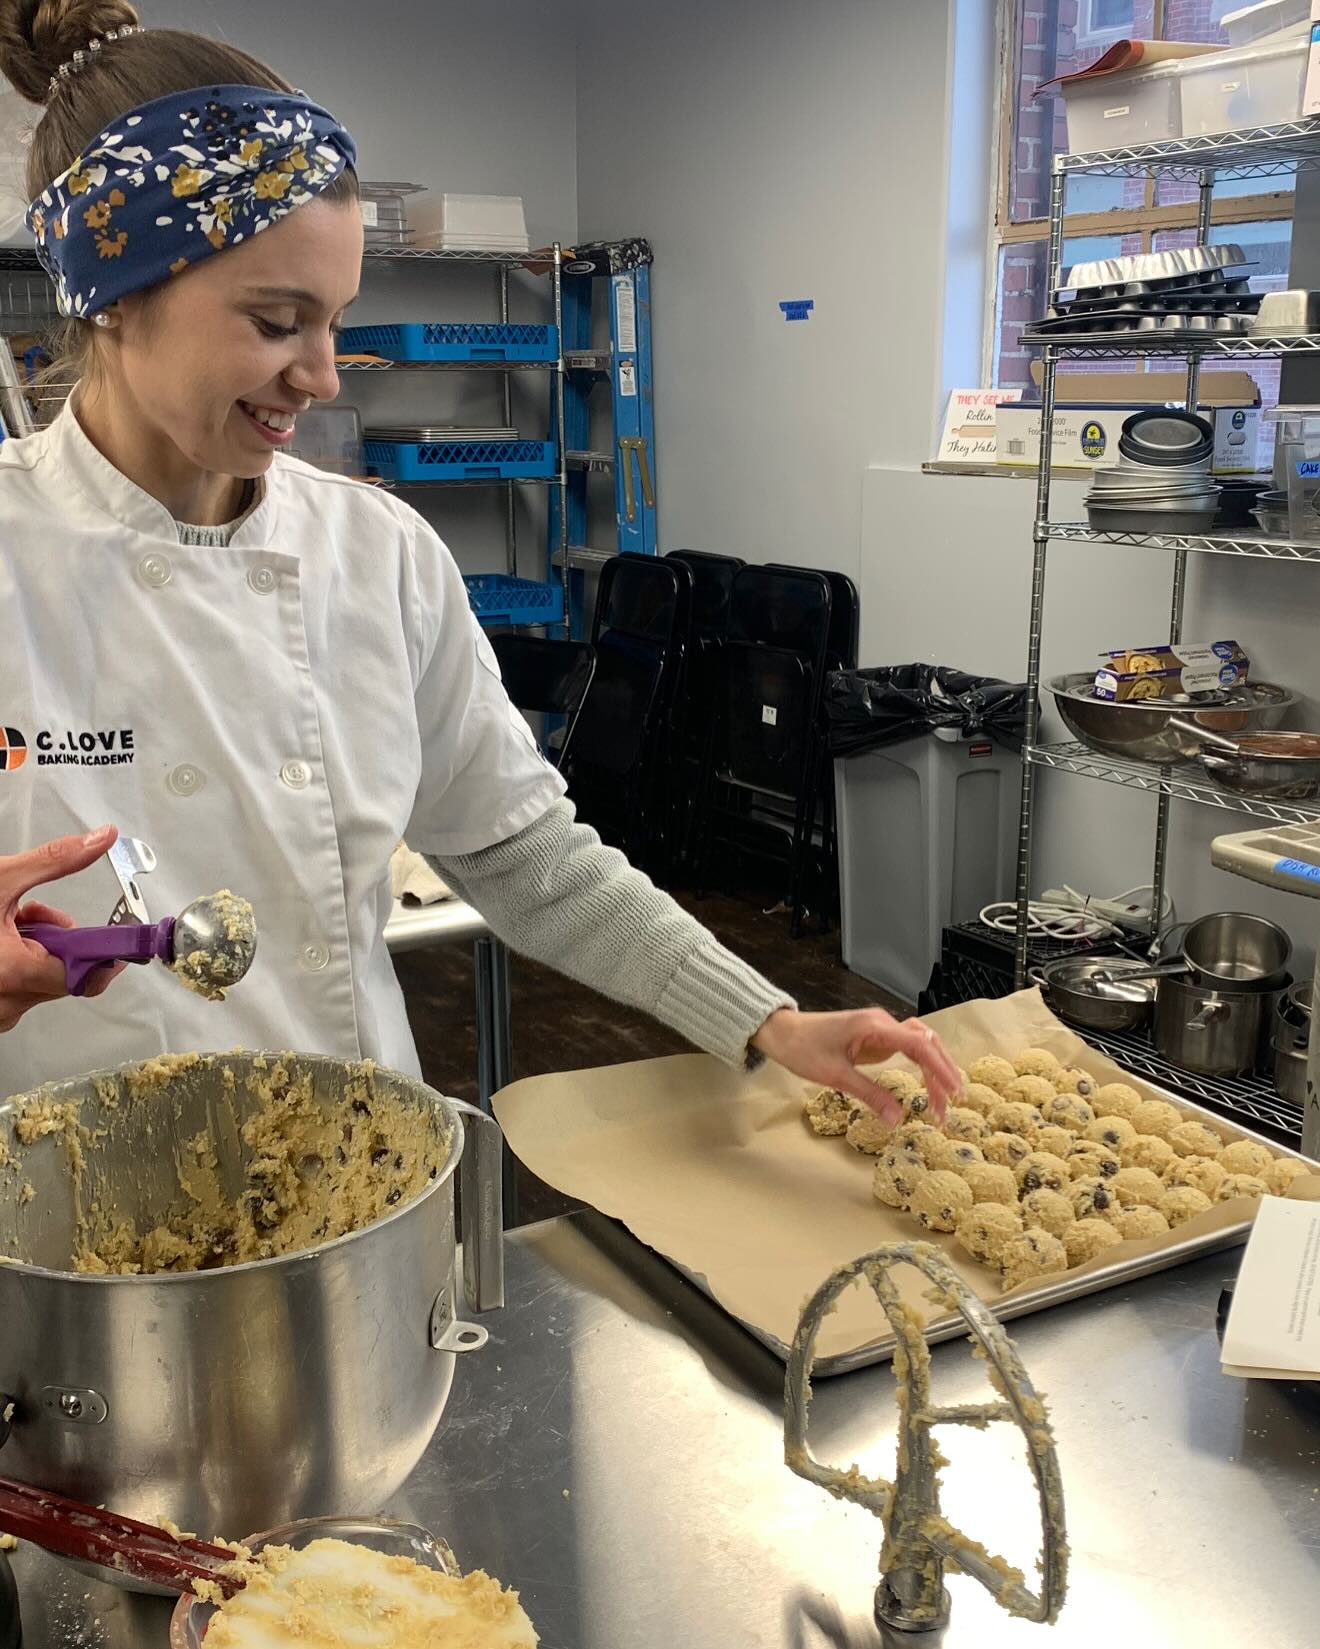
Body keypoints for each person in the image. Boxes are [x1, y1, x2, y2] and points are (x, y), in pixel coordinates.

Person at [0, 2, 958, 1120]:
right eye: (275, 320)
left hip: (353, 1172)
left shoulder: (378, 554)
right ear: (111, 298)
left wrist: (766, 1017)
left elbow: (524, 854)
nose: (325, 376)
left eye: (337, 320)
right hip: (68, 1214)